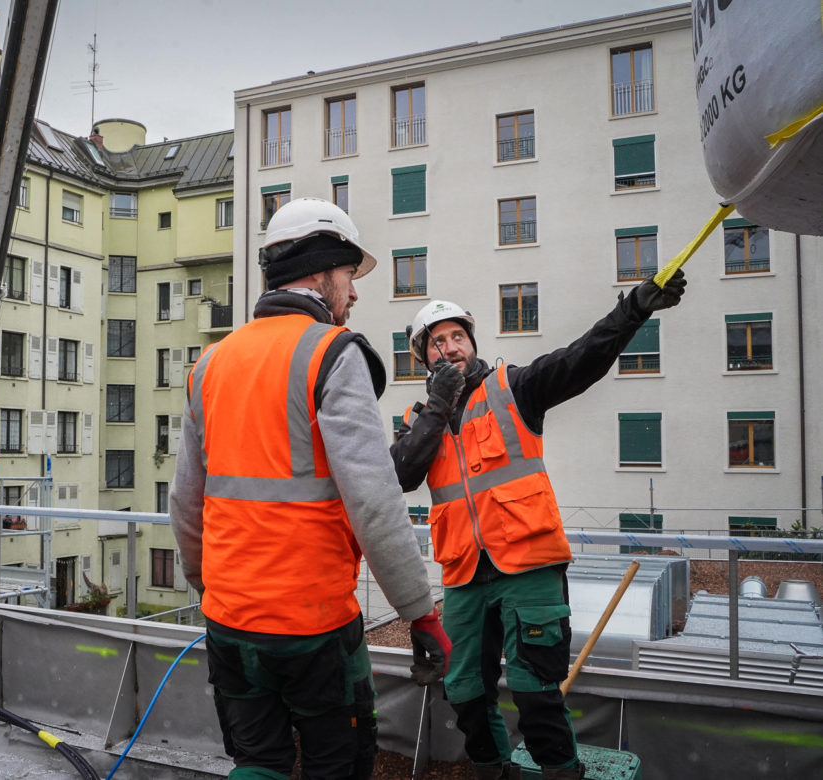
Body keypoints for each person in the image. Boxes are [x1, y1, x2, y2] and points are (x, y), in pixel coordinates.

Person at [170, 196, 450, 779]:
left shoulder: (211, 362)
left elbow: (185, 501)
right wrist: (420, 614)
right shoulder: (331, 352)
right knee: (338, 763)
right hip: (311, 624)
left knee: (259, 762)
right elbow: (374, 502)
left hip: (229, 619)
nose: (354, 292)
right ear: (321, 272)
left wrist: (209, 586)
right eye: (350, 275)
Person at [391, 271, 688, 780]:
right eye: (437, 343)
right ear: (424, 358)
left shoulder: (514, 387)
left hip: (528, 563)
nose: (450, 348)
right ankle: (493, 772)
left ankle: (560, 774)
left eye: (457, 336)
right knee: (463, 690)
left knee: (535, 690)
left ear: (472, 341)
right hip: (464, 574)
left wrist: (635, 308)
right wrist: (438, 406)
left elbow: (582, 357)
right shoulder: (422, 418)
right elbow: (401, 474)